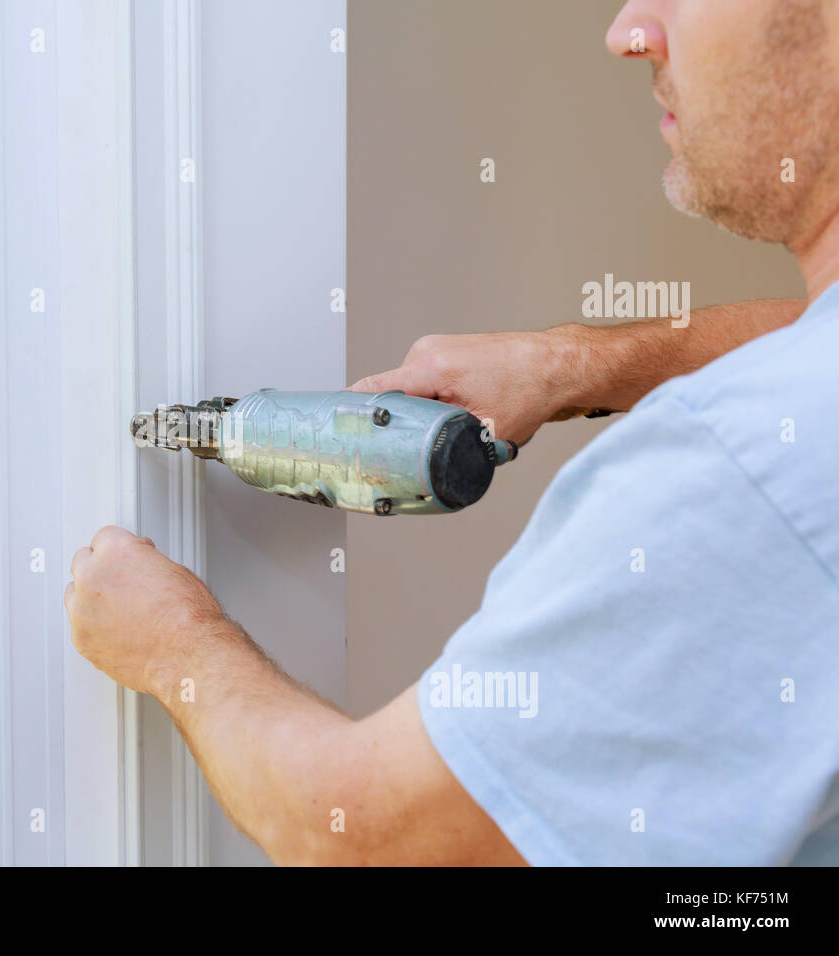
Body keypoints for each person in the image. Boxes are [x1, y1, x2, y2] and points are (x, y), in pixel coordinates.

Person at [64, 0, 839, 865]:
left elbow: (359, 833)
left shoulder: (737, 475)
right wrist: (572, 363)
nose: (627, 31)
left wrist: (172, 642)